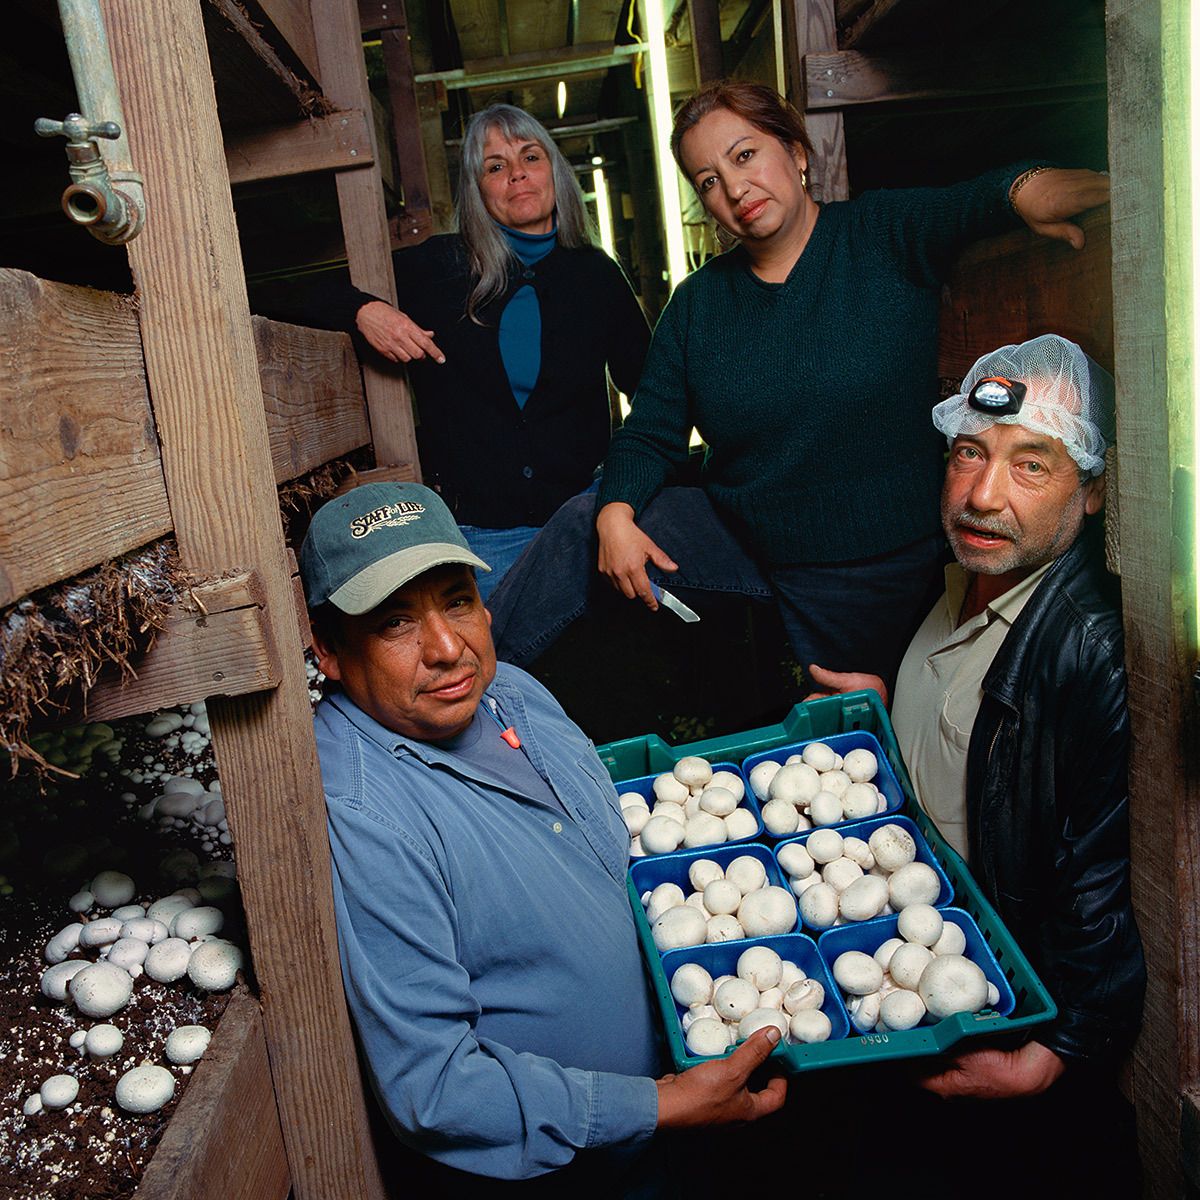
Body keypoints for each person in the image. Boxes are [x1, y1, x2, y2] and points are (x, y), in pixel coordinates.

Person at [489, 83, 1110, 687]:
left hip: (881, 562)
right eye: (708, 180)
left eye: (745, 154)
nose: (734, 188)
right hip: (747, 534)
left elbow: (976, 198)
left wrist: (1027, 187)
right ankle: (478, 678)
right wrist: (616, 514)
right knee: (582, 522)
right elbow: (649, 433)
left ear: (797, 151)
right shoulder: (697, 304)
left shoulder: (882, 233)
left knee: (862, 732)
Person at [298, 481, 786, 1192]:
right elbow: (434, 1089)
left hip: (677, 1101)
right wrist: (657, 1105)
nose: (447, 648)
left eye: (458, 601)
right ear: (330, 652)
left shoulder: (515, 691)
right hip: (581, 1171)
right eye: (395, 622)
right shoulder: (362, 812)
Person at [806, 334, 1144, 1191]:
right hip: (899, 971)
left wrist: (1058, 1051)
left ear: (1094, 491)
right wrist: (886, 721)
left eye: (1031, 466)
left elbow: (1100, 869)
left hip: (992, 1012)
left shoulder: (1088, 650)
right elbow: (976, 744)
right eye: (968, 453)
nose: (981, 496)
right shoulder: (962, 577)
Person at [316, 105, 650, 602]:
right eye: (495, 165)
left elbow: (651, 393)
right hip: (478, 539)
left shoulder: (596, 274)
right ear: (478, 189)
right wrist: (364, 310)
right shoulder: (441, 266)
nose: (516, 173)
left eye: (530, 156)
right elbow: (300, 291)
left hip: (584, 523)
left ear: (554, 171)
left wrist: (620, 500)